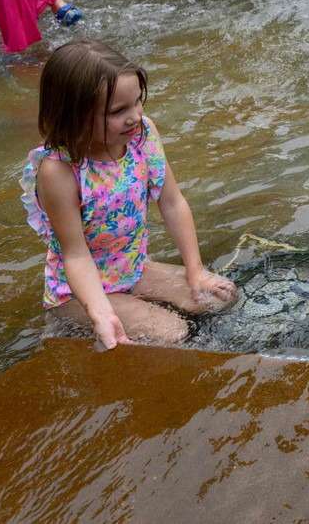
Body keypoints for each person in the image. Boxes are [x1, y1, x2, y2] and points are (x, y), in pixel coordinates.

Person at [20, 39, 238, 348]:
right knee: (172, 332)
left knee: (218, 297)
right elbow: (76, 254)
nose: (135, 116)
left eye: (137, 101)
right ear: (74, 115)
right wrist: (100, 314)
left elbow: (173, 202)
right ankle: (67, 323)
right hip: (81, 290)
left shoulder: (143, 136)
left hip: (132, 268)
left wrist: (196, 270)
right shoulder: (60, 171)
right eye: (118, 110)